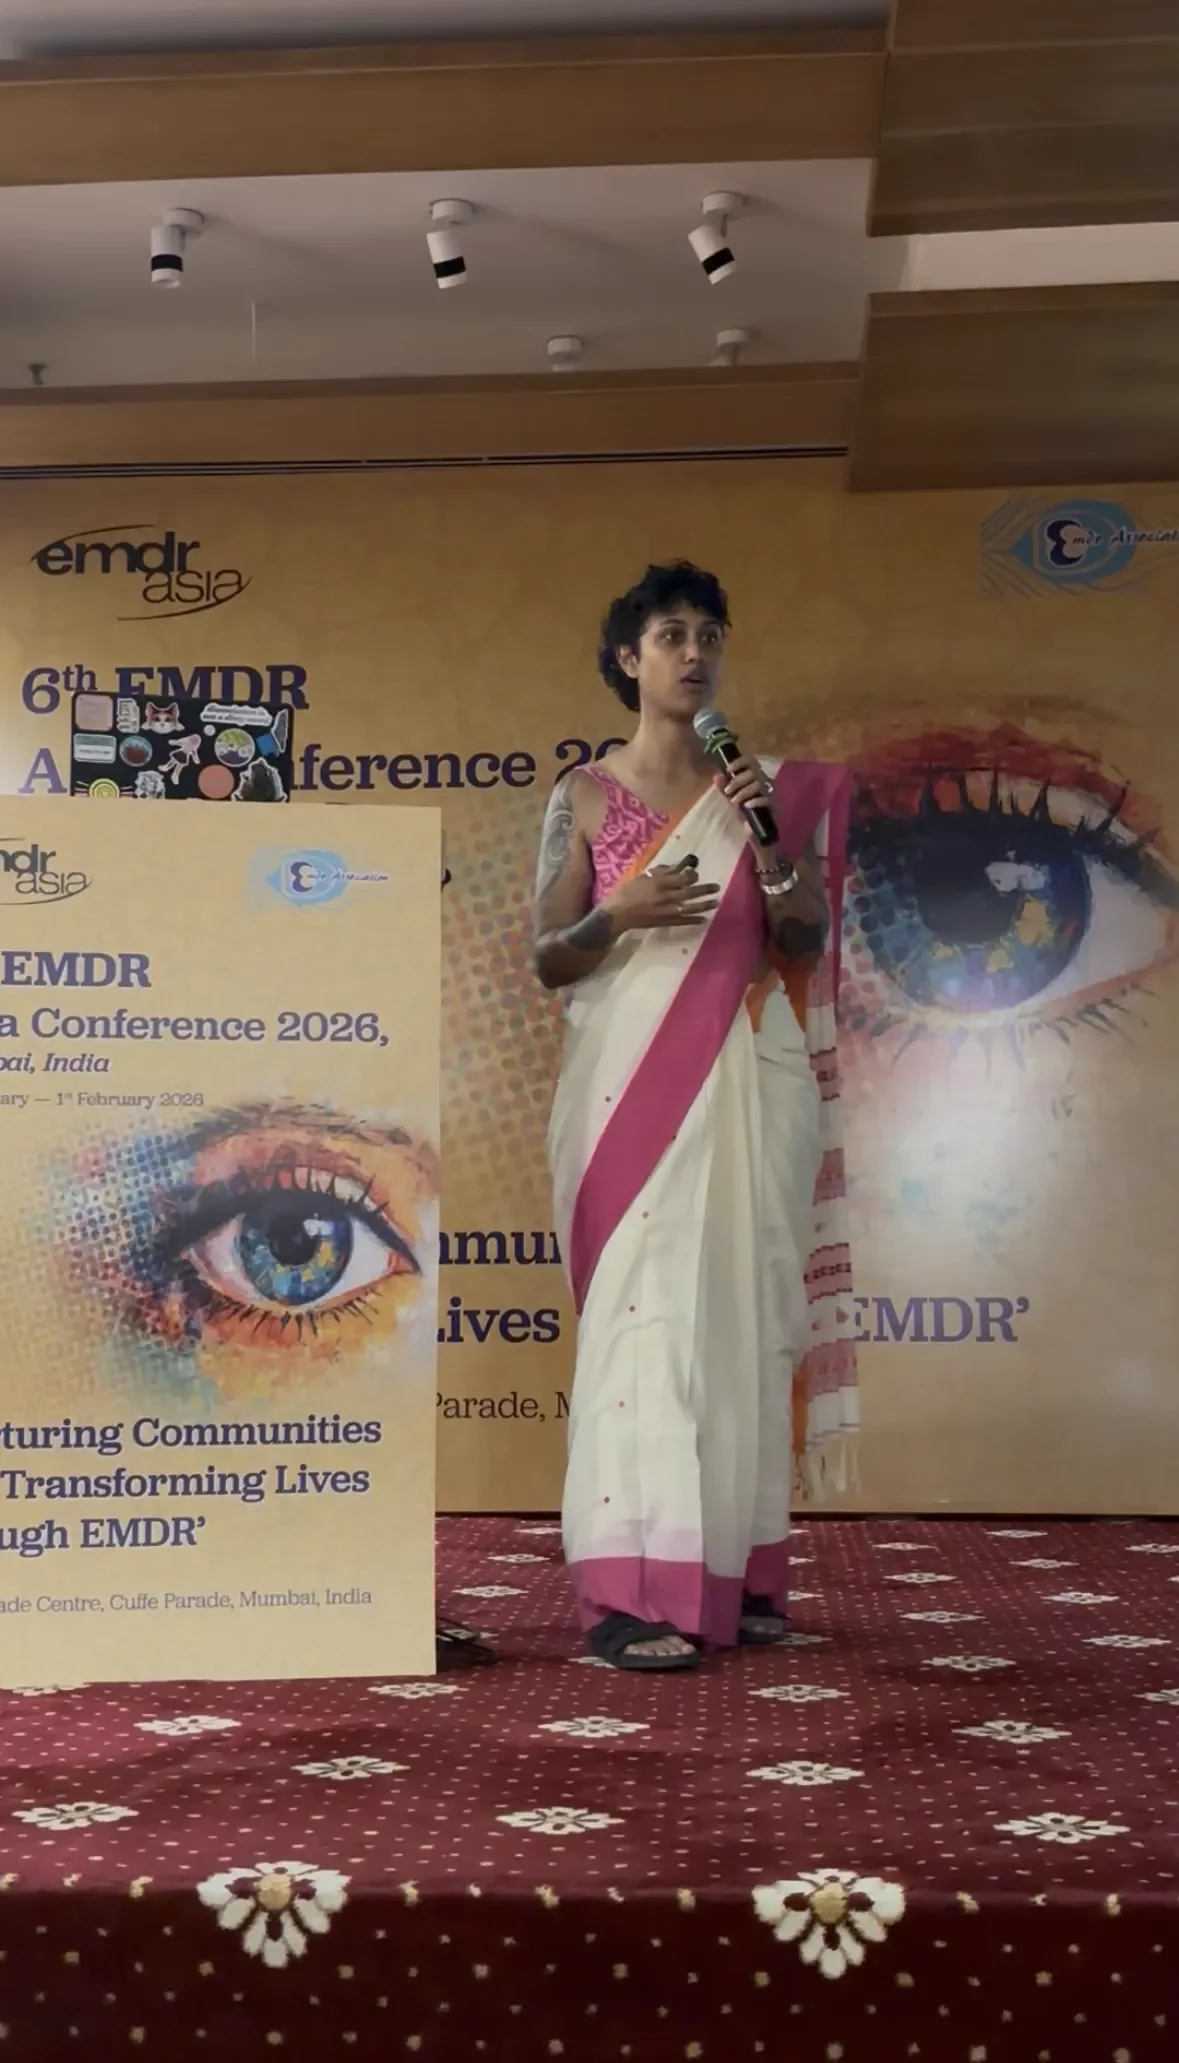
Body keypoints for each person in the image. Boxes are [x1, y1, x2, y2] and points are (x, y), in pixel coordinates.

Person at [533, 561, 858, 1670]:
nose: (694, 652)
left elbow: (803, 940)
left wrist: (773, 859)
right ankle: (629, 1589)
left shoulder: (759, 792)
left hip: (753, 1077)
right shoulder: (584, 795)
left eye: (709, 634)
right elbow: (547, 954)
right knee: (650, 1321)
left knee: (745, 1315)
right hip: (630, 1085)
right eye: (671, 634)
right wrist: (619, 911)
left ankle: (738, 1567)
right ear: (628, 658)